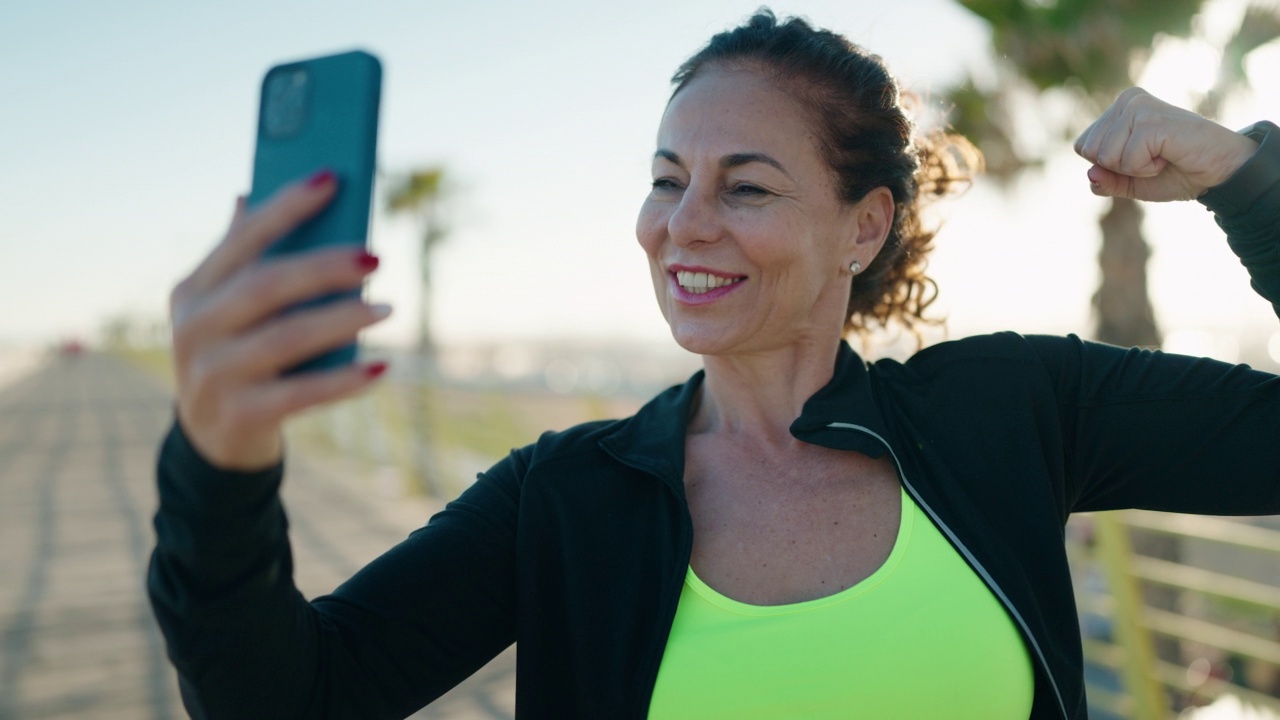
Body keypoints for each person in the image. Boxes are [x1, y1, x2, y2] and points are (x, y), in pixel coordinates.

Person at [149, 9, 1280, 720]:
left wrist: (1250, 180)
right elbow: (291, 700)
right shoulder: (565, 496)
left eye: (744, 186)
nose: (681, 224)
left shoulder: (1013, 409)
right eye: (664, 177)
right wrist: (219, 468)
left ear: (862, 227)